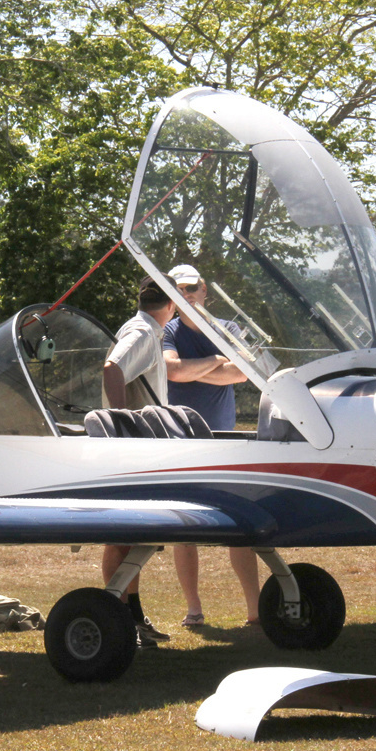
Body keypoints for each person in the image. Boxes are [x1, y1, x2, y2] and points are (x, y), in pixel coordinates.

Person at [160, 264, 261, 628]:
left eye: (190, 288)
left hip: (225, 439)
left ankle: (255, 612)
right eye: (176, 289)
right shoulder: (166, 330)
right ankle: (193, 610)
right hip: (182, 440)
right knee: (184, 527)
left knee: (240, 525)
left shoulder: (228, 329)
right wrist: (218, 361)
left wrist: (198, 368)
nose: (185, 294)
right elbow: (173, 372)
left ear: (204, 290)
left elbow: (244, 371)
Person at [100, 277, 176, 646]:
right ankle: (122, 618)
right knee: (122, 539)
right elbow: (112, 367)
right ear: (172, 304)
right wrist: (119, 423)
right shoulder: (144, 332)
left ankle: (130, 617)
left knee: (129, 539)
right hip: (131, 450)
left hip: (136, 449)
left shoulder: (146, 329)